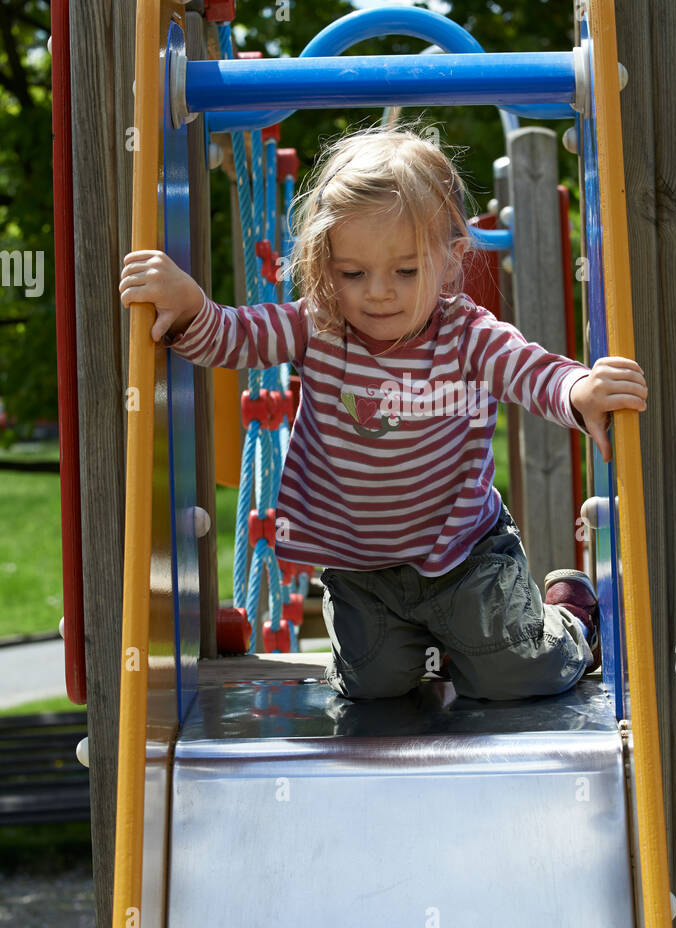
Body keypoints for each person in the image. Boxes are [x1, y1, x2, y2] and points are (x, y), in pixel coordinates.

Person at [119, 123, 648, 703]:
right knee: (374, 688)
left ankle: (570, 617)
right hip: (361, 570)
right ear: (326, 266)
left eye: (405, 271)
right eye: (353, 273)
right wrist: (190, 304)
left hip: (463, 556)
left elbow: (530, 369)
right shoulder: (318, 326)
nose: (378, 292)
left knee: (515, 675)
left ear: (450, 263)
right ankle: (444, 646)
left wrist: (580, 391)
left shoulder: (466, 334)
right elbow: (234, 337)